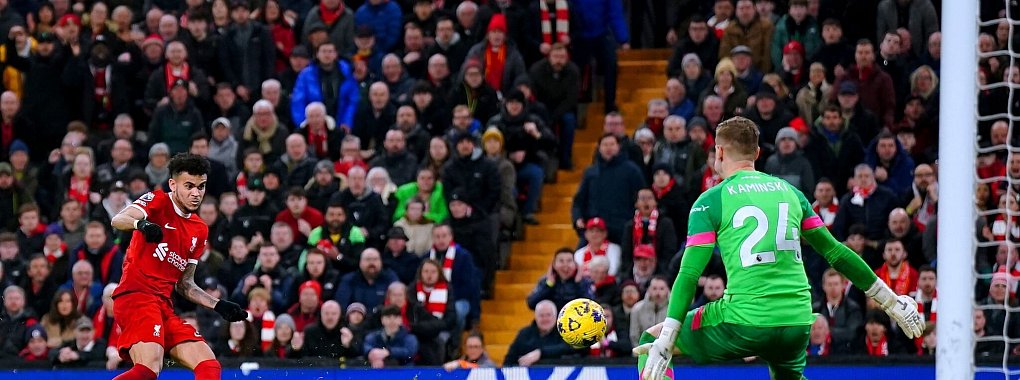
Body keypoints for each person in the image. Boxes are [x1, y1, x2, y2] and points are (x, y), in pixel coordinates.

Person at [635, 117, 923, 380]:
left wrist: (669, 338)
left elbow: (688, 273)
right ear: (758, 154)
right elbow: (835, 252)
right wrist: (891, 301)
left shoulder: (711, 200)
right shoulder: (791, 192)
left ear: (719, 153)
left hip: (744, 321)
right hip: (797, 321)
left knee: (652, 340)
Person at [108, 153, 247, 380]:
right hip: (136, 296)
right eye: (189, 186)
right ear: (173, 184)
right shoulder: (158, 201)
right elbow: (118, 219)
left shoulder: (199, 230)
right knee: (149, 368)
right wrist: (141, 224)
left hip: (163, 305)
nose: (196, 193)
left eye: (201, 186)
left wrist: (218, 305)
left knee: (209, 364)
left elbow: (185, 284)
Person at [573, 133, 646, 243]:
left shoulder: (632, 170)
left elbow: (642, 196)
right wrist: (577, 218)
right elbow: (579, 200)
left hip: (622, 228)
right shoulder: (591, 172)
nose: (608, 148)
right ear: (599, 148)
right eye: (605, 145)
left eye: (612, 144)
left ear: (618, 147)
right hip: (595, 227)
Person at [291, 42, 360, 130]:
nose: (327, 55)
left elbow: (352, 100)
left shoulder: (347, 72)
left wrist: (347, 121)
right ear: (317, 54)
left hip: (340, 123)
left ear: (335, 54)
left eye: (330, 51)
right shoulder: (306, 75)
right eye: (323, 51)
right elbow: (298, 101)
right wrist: (303, 124)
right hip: (313, 123)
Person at [503, 300, 581, 367]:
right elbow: (508, 361)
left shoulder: (566, 332)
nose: (545, 319)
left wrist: (540, 353)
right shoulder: (524, 334)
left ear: (556, 316)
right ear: (536, 317)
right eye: (541, 315)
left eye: (548, 315)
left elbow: (571, 348)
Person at [812, 268, 862, 354]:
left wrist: (827, 331)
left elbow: (852, 333)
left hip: (845, 355)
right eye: (830, 284)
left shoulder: (853, 308)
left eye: (836, 284)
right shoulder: (816, 309)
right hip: (819, 356)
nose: (833, 288)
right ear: (823, 286)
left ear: (843, 285)